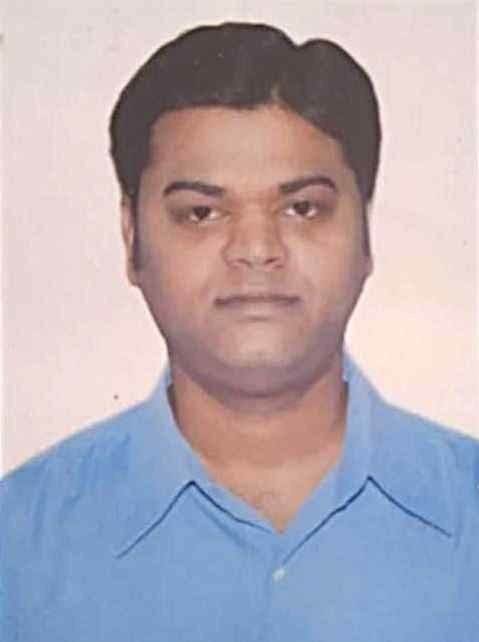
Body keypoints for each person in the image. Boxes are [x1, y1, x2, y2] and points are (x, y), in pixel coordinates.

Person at [1, 21, 477, 642]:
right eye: (201, 213)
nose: (255, 249)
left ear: (365, 234)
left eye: (302, 208)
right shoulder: (17, 544)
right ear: (131, 240)